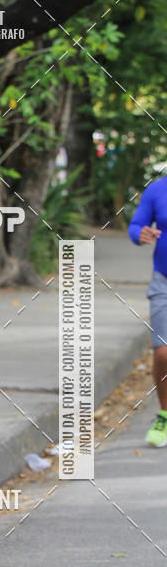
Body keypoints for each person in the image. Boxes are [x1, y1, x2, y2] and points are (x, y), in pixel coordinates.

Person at [128, 176, 167, 447]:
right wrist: (139, 234)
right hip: (163, 282)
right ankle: (164, 414)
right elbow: (135, 225)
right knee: (163, 352)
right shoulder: (158, 189)